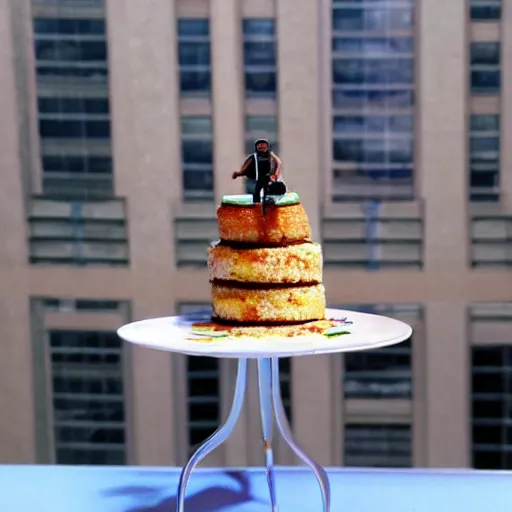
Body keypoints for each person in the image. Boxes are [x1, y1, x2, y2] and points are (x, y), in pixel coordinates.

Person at [232, 139, 282, 205]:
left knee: (267, 191)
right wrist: (240, 173)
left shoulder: (270, 154)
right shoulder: (255, 156)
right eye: (259, 144)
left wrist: (276, 172)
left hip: (268, 177)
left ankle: (268, 203)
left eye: (263, 144)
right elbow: (246, 164)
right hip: (259, 177)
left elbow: (278, 162)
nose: (261, 145)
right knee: (257, 191)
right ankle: (257, 204)